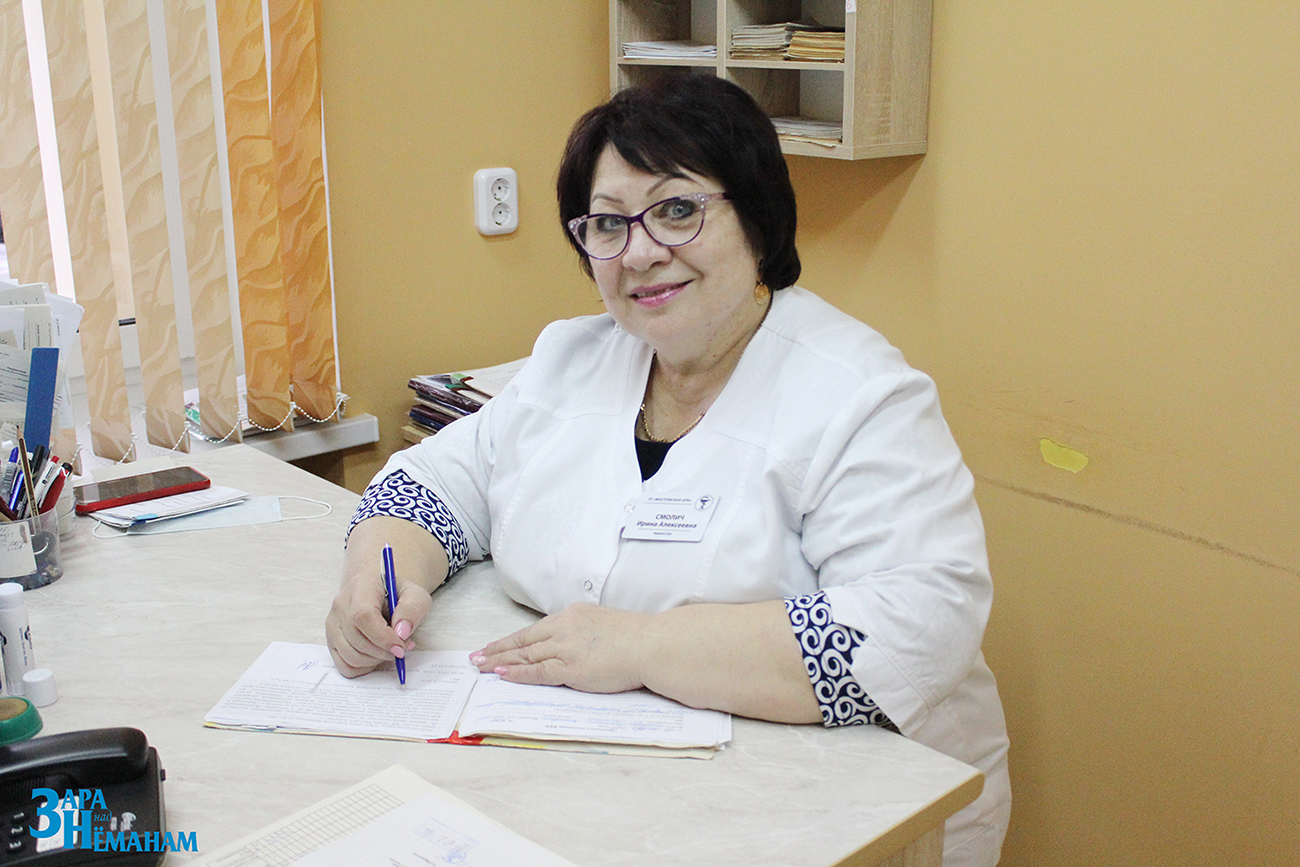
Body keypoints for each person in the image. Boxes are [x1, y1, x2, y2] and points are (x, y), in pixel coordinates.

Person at [327, 74, 1010, 866]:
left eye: (678, 209)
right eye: (608, 223)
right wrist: (377, 580)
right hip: (628, 800)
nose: (642, 251)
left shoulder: (859, 395)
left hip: (855, 814)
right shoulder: (573, 358)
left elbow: (919, 625)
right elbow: (432, 484)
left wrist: (640, 646)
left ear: (757, 218)